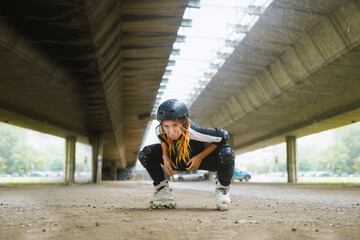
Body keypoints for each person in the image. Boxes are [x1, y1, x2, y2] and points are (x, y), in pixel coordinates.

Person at [138, 99, 235, 210]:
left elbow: (224, 136)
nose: (171, 131)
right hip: (178, 162)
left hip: (202, 162)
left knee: (227, 152)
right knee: (146, 153)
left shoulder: (194, 131)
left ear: (184, 122)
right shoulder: (160, 130)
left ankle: (222, 190)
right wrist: (165, 157)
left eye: (175, 125)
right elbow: (163, 139)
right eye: (166, 126)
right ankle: (162, 191)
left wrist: (199, 157)